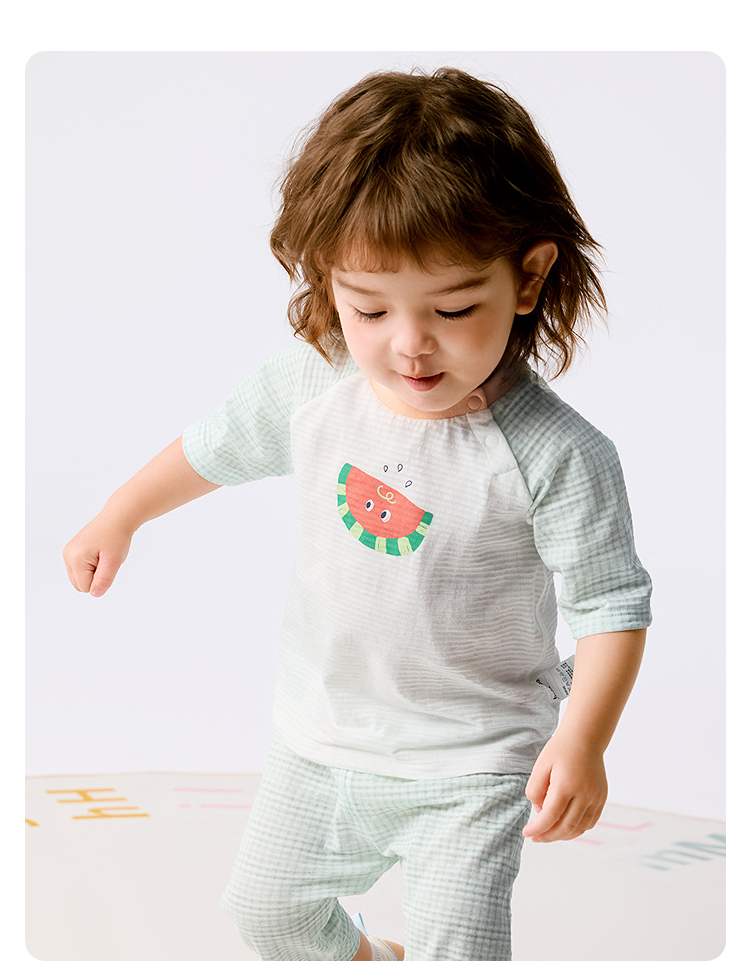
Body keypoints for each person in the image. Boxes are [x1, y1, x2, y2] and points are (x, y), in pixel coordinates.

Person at [63, 67, 652, 961]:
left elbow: (610, 605)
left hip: (473, 760)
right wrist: (121, 513)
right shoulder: (314, 383)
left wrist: (584, 739)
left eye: (454, 307)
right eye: (369, 308)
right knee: (269, 915)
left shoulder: (557, 453)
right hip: (321, 737)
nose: (409, 344)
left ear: (530, 277)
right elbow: (213, 446)